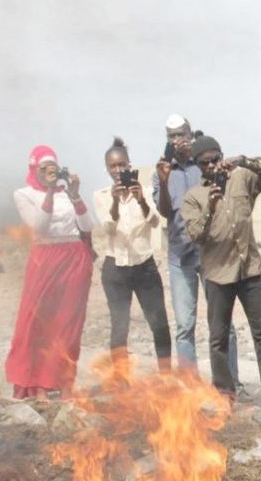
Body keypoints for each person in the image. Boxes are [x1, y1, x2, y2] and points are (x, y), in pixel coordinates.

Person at [179, 135, 261, 415]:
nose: (212, 166)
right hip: (218, 275)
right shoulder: (194, 197)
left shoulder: (242, 179)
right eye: (205, 163)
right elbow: (195, 236)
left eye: (216, 159)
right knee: (218, 339)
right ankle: (224, 394)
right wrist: (210, 210)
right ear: (197, 166)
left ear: (222, 157)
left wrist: (242, 160)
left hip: (250, 269)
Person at [153, 115, 241, 386]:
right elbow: (164, 211)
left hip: (211, 253)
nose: (177, 140)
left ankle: (230, 384)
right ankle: (191, 388)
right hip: (180, 255)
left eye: (181, 134)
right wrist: (164, 180)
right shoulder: (162, 170)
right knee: (184, 326)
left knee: (223, 324)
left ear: (190, 133)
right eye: (171, 136)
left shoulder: (205, 162)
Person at [5, 145, 94, 399]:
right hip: (44, 259)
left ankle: (65, 384)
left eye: (53, 168)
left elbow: (87, 226)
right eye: (44, 169)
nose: (49, 173)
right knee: (37, 324)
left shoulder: (67, 193)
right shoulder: (23, 194)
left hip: (75, 258)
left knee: (68, 325)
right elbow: (39, 227)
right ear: (34, 168)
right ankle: (38, 387)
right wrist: (50, 194)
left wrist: (75, 196)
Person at [93, 137, 171, 378]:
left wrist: (140, 200)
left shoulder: (145, 191)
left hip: (144, 266)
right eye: (113, 166)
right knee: (119, 327)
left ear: (129, 165)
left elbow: (156, 221)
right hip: (115, 268)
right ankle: (120, 380)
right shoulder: (102, 195)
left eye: (122, 165)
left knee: (159, 323)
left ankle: (166, 377)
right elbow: (107, 228)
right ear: (107, 169)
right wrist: (116, 201)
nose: (118, 171)